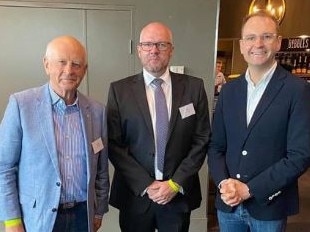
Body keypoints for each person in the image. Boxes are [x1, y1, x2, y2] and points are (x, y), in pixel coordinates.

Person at [208, 10, 310, 232]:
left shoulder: (298, 90)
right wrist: (225, 184)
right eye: (251, 38)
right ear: (242, 45)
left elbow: (300, 155)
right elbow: (216, 146)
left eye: (266, 36)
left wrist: (250, 189)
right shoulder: (229, 91)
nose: (258, 43)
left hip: (269, 206)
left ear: (278, 43)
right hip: (229, 206)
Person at [107, 22, 210, 232]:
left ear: (171, 50)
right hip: (136, 195)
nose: (154, 50)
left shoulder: (194, 87)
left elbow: (202, 139)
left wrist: (174, 183)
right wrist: (146, 184)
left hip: (177, 195)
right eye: (147, 44)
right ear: (139, 50)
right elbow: (114, 144)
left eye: (161, 45)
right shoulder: (120, 90)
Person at [0, 35, 109, 232]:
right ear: (46, 64)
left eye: (76, 64)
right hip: (37, 218)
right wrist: (11, 220)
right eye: (62, 62)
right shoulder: (21, 105)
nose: (69, 70)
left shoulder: (96, 111)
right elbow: (4, 168)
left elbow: (101, 168)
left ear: (85, 70)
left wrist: (99, 210)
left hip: (82, 216)